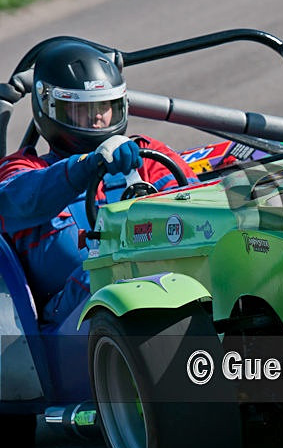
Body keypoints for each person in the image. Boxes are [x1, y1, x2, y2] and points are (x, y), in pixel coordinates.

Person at [0, 40, 198, 326]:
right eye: (81, 109)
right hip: (68, 323)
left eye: (105, 106)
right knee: (104, 274)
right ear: (50, 109)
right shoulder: (23, 171)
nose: (96, 118)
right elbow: (16, 199)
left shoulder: (148, 156)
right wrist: (86, 166)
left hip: (175, 294)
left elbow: (201, 220)